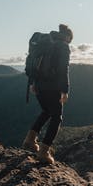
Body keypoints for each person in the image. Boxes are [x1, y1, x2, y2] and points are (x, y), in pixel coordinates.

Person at [23, 23, 73, 164]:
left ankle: (30, 140)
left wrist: (33, 83)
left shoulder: (45, 43)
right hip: (53, 87)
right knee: (57, 117)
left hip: (38, 85)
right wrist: (65, 90)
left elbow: (35, 63)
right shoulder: (63, 46)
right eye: (70, 40)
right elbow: (64, 69)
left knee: (46, 111)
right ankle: (44, 152)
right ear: (68, 37)